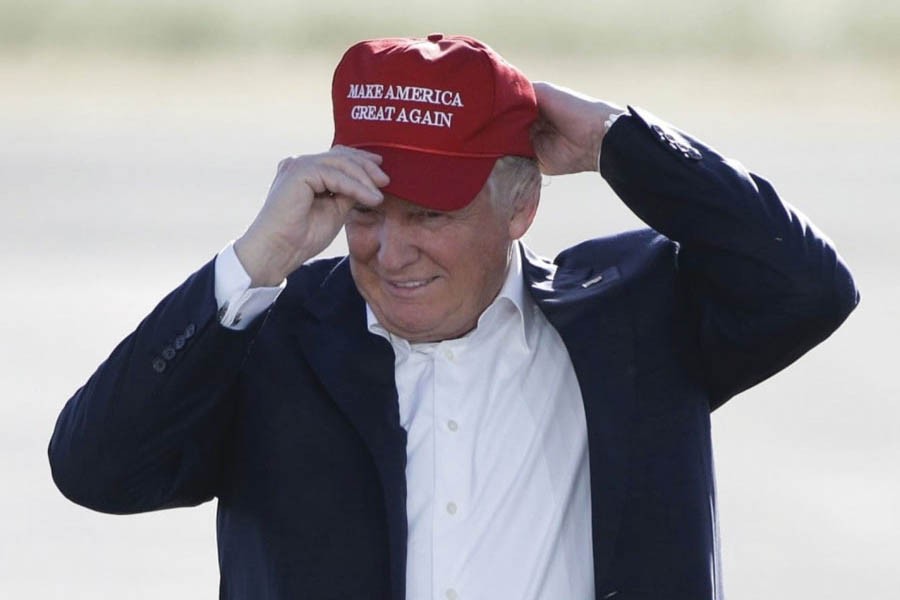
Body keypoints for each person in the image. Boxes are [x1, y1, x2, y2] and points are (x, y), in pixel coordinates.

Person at [48, 34, 859, 600]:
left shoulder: (635, 315)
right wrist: (256, 257)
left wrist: (622, 142)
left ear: (522, 204)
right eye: (366, 211)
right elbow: (96, 470)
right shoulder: (271, 333)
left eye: (429, 216)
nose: (389, 252)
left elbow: (807, 286)